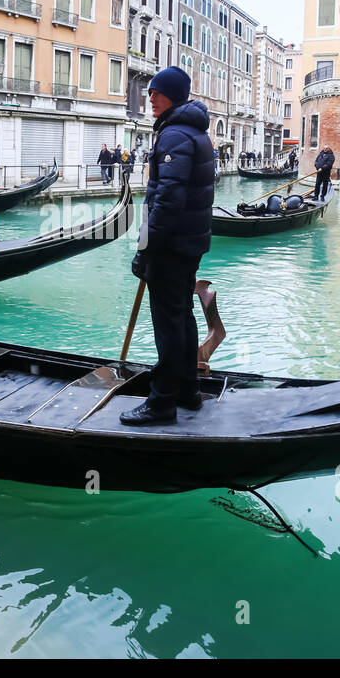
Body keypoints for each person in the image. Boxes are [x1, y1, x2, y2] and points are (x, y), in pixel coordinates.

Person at [121, 66, 215, 427]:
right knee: (182, 316)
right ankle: (188, 390)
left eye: (156, 92)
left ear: (172, 95)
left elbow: (167, 201)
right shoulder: (193, 132)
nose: (150, 97)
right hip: (189, 244)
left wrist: (145, 249)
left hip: (171, 246)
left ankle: (161, 403)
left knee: (168, 323)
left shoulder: (175, 134)